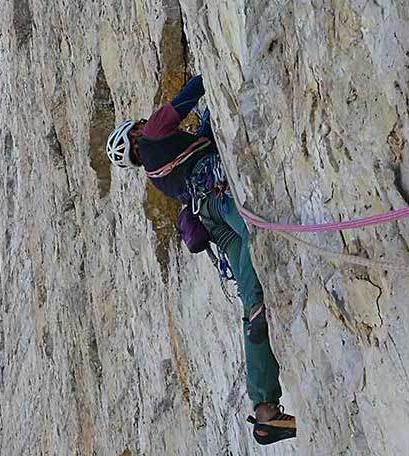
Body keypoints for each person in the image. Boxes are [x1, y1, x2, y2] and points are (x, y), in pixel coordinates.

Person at [106, 75, 296, 445]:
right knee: (261, 233)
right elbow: (190, 93)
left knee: (252, 300)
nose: (144, 123)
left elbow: (202, 143)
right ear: (134, 138)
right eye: (138, 127)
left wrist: (207, 124)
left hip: (210, 221)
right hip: (222, 198)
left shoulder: (157, 178)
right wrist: (210, 74)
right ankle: (265, 407)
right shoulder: (152, 134)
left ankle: (265, 412)